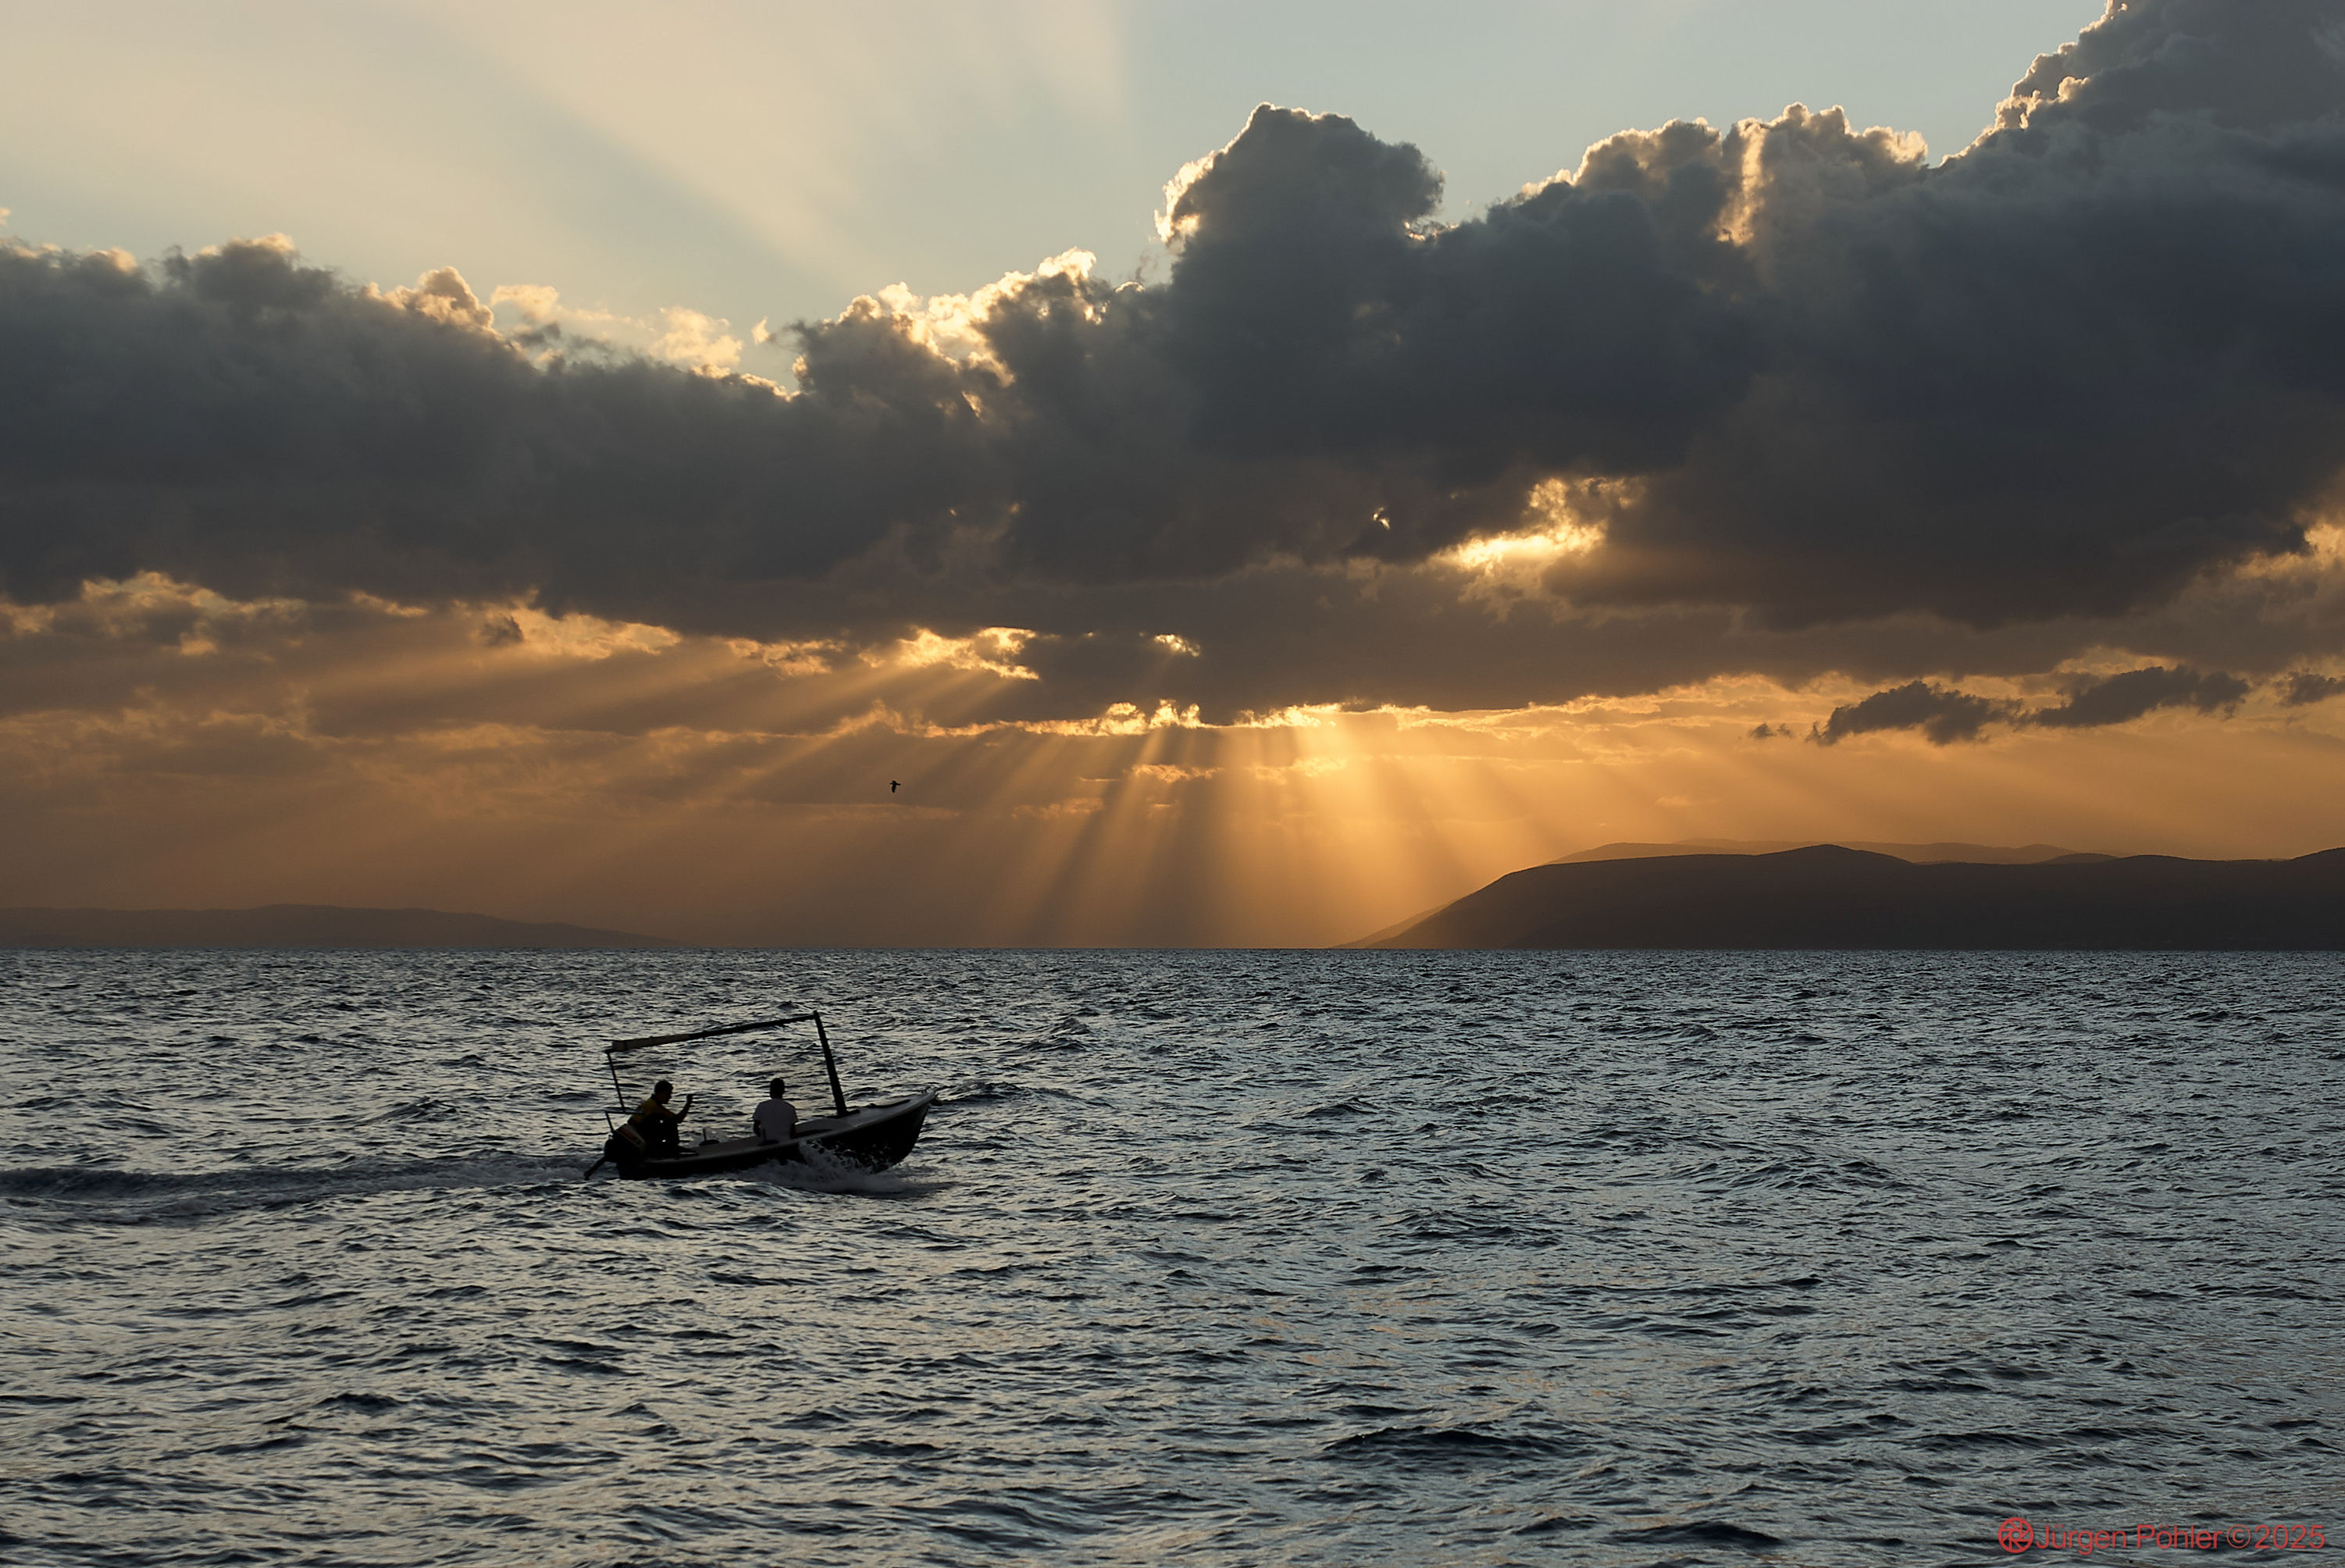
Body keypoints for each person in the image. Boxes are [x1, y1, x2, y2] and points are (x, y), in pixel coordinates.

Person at [628, 1079, 693, 1158]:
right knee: (671, 1122)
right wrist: (688, 1104)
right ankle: (671, 1149)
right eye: (668, 1094)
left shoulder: (650, 1103)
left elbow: (631, 1122)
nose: (670, 1097)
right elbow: (678, 1119)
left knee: (668, 1120)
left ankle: (664, 1148)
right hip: (646, 1139)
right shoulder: (654, 1107)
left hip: (644, 1137)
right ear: (659, 1093)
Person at [753, 1076, 798, 1144]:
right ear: (783, 1091)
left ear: (770, 1091)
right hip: (786, 1144)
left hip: (767, 1144)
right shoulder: (790, 1108)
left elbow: (755, 1128)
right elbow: (793, 1132)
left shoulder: (761, 1106)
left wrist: (762, 1136)